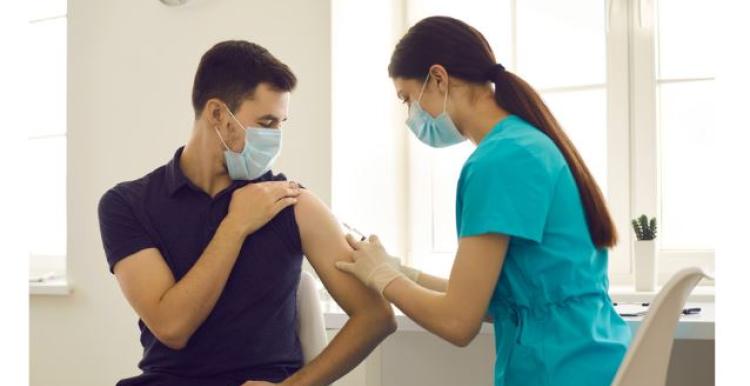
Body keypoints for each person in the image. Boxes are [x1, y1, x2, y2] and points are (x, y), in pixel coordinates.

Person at [335, 16, 632, 386]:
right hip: (593, 358)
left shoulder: (501, 160)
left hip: (558, 370)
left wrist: (383, 278)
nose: (410, 115)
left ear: (439, 78)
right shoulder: (525, 142)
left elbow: (458, 322)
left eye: (407, 98)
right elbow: (495, 303)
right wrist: (404, 274)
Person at [98, 40, 396, 386]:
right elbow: (172, 327)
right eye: (267, 122)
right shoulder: (127, 204)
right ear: (217, 115)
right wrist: (236, 225)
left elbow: (376, 316)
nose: (276, 137)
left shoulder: (293, 203)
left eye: (282, 123)